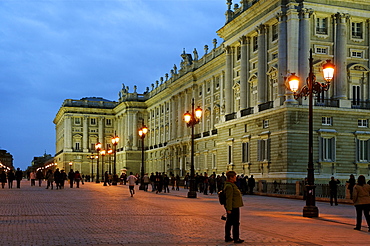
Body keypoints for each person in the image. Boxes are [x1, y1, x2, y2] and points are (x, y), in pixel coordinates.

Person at [224, 171, 244, 244]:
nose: (236, 178)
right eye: (234, 176)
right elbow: (229, 198)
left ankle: (228, 237)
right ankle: (236, 238)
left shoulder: (231, 185)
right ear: (231, 178)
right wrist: (229, 209)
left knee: (229, 222)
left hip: (233, 206)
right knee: (235, 223)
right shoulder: (229, 186)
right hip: (233, 207)